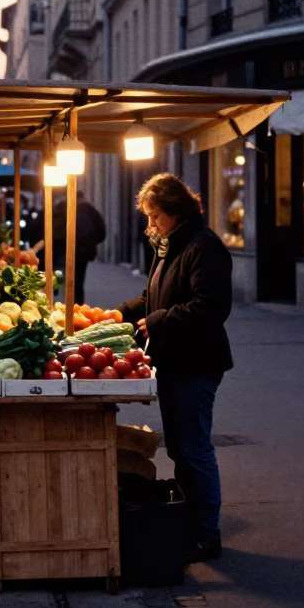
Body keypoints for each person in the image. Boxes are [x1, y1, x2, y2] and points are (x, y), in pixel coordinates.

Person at [117, 172, 233, 564]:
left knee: (195, 449)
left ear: (175, 212)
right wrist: (120, 313)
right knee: (182, 450)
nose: (150, 224)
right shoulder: (170, 245)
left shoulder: (204, 246)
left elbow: (211, 305)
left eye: (155, 216)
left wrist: (161, 320)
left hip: (196, 362)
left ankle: (206, 533)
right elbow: (153, 295)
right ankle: (189, 525)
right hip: (173, 360)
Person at [52, 190, 106, 303]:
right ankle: (77, 305)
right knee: (79, 280)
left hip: (66, 250)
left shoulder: (62, 207)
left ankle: (67, 304)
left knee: (64, 278)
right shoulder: (89, 209)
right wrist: (91, 243)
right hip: (84, 252)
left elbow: (53, 228)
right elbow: (102, 230)